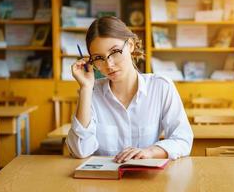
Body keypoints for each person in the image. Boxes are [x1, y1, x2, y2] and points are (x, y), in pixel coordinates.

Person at [66, 16, 193, 163]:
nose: (109, 64)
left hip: (147, 180)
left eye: (114, 52)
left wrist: (150, 152)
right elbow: (80, 151)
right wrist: (86, 88)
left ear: (130, 45)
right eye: (99, 58)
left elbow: (183, 140)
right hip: (104, 182)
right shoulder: (91, 93)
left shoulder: (161, 87)